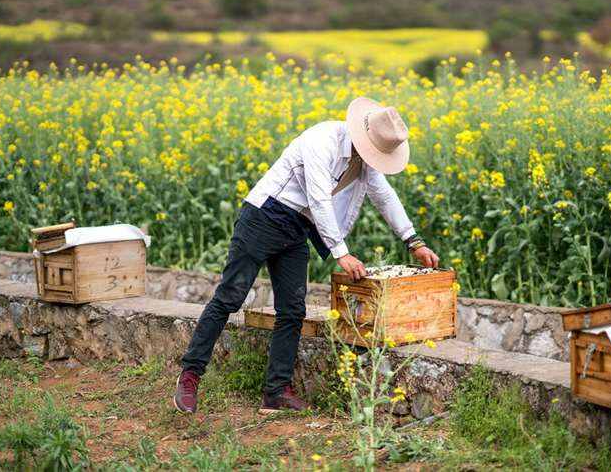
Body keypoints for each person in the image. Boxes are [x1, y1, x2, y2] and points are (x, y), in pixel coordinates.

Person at [173, 97, 440, 414]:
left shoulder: (365, 161)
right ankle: (189, 377)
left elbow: (385, 196)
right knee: (230, 297)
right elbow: (318, 199)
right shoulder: (321, 140)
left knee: (292, 310)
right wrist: (342, 253)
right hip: (265, 216)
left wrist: (414, 241)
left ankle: (275, 392)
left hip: (299, 226)